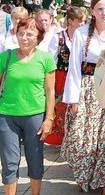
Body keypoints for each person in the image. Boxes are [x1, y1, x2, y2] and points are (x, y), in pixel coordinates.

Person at [61, 0, 105, 192]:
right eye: (100, 9)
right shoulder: (82, 33)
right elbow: (74, 68)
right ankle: (86, 177)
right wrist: (74, 100)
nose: (104, 13)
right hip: (89, 88)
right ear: (93, 11)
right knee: (85, 136)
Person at [0, 17, 56, 195]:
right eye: (21, 33)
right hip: (7, 115)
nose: (24, 37)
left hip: (35, 116)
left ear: (38, 36)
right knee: (9, 162)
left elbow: (50, 91)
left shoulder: (45, 59)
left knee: (35, 159)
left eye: (30, 34)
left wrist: (49, 119)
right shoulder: (5, 58)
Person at [45, 6, 86, 145]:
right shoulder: (58, 38)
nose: (83, 24)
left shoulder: (85, 37)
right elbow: (51, 60)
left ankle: (75, 138)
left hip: (80, 76)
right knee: (61, 108)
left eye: (84, 21)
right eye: (80, 21)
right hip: (61, 76)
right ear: (70, 21)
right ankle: (61, 140)